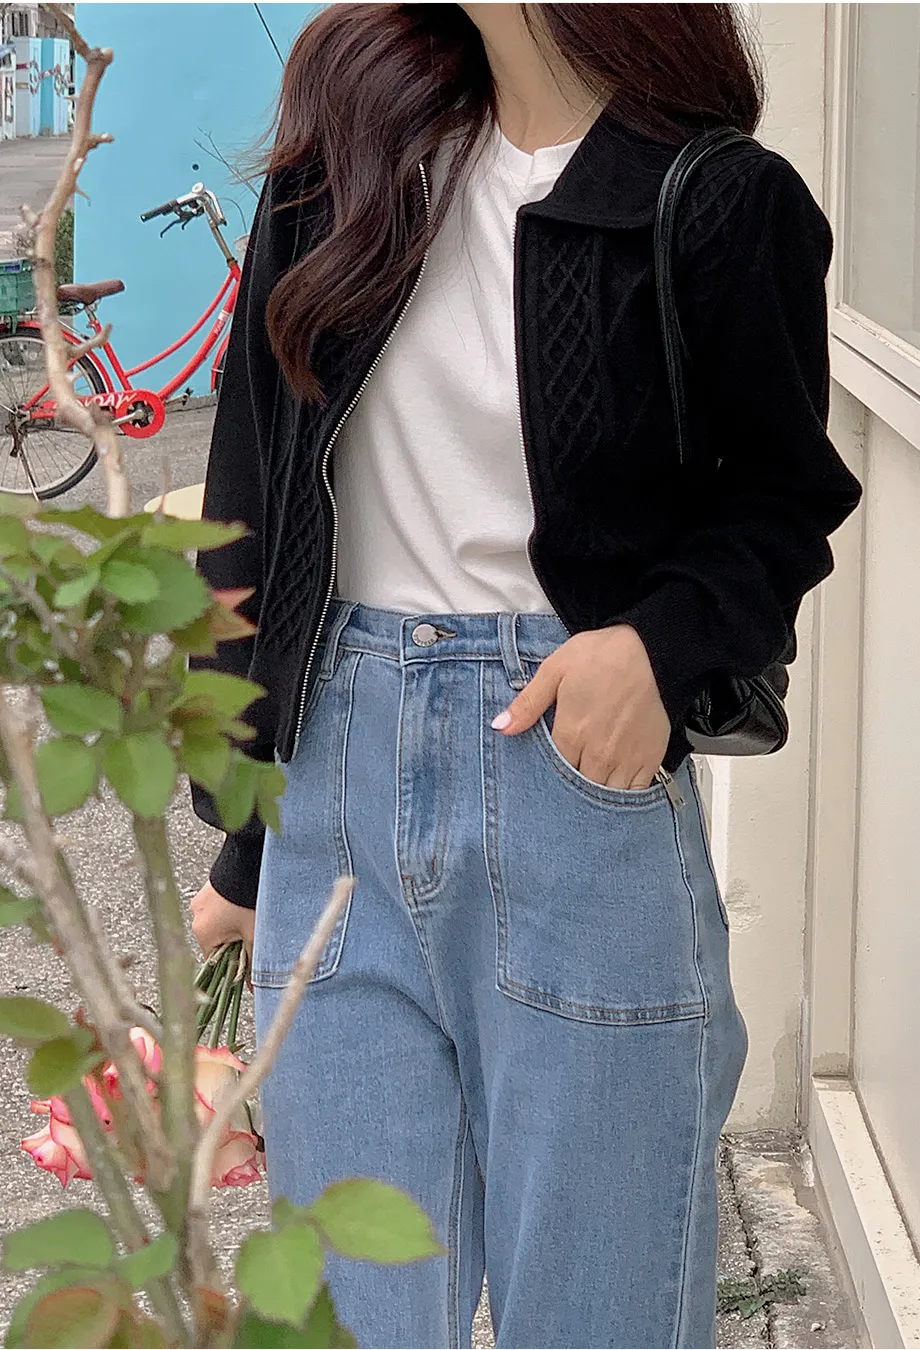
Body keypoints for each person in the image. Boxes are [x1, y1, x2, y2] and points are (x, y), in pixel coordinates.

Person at [188, 5, 862, 1346]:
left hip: (569, 790)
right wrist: (248, 844)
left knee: (599, 1315)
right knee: (350, 1316)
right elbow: (253, 497)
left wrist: (657, 646)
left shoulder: (715, 197)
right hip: (336, 789)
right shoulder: (346, 150)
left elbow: (785, 500)